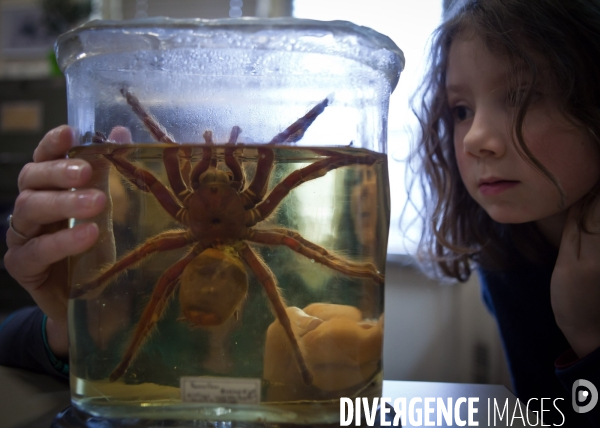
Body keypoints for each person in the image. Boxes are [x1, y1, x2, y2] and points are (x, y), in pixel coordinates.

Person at [411, 0, 600, 425]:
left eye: (521, 97)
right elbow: (545, 413)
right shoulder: (503, 249)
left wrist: (588, 335)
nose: (476, 138)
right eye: (461, 110)